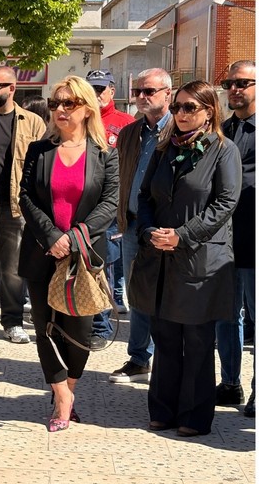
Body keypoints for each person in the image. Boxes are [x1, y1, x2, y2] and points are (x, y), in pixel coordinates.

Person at [128, 80, 240, 437]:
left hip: (201, 258)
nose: (180, 114)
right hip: (161, 257)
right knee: (165, 335)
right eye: (177, 107)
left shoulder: (224, 150)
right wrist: (149, 232)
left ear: (209, 112)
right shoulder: (164, 149)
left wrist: (183, 235)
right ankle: (162, 409)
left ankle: (193, 416)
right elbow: (144, 196)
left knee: (196, 339)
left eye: (189, 108)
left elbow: (225, 202)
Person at [18, 76, 118, 432]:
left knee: (79, 330)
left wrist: (74, 239)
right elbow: (25, 197)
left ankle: (69, 387)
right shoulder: (38, 150)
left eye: (69, 103)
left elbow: (109, 204)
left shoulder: (105, 153)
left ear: (87, 108)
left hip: (84, 257)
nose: (60, 109)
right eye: (55, 103)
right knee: (45, 327)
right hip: (42, 252)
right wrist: (51, 237)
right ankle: (61, 396)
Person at [109, 68, 173, 384]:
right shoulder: (130, 133)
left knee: (166, 296)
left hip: (167, 230)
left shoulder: (179, 129)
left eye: (149, 91)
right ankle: (138, 358)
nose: (142, 97)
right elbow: (121, 177)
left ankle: (168, 361)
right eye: (138, 91)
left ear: (168, 94)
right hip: (132, 224)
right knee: (137, 293)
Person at [0, 66, 46, 342]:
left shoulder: (33, 122)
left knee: (12, 270)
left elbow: (43, 165)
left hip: (15, 207)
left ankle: (12, 321)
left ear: (12, 89)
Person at [215, 60, 255, 414]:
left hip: (253, 238)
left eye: (243, 82)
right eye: (230, 82)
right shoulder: (222, 131)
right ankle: (230, 383)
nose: (235, 89)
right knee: (227, 317)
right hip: (224, 241)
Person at [85, 69, 135, 349]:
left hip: (113, 210)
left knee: (105, 269)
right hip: (83, 207)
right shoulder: (82, 120)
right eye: (92, 88)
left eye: (101, 89)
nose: (96, 94)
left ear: (112, 91)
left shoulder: (126, 124)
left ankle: (101, 327)